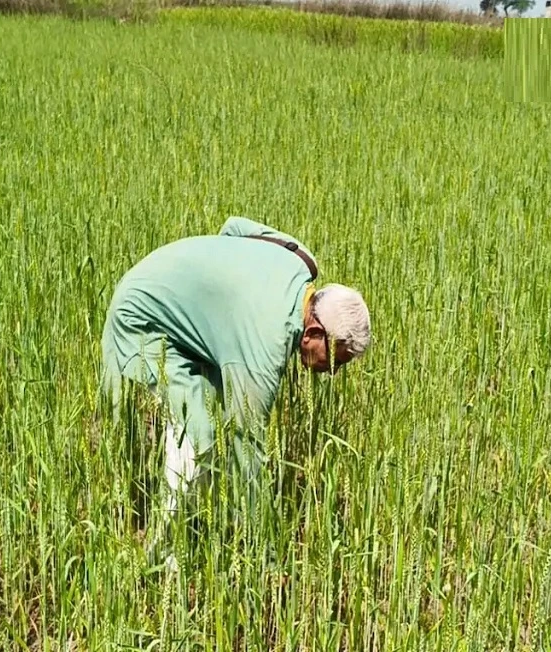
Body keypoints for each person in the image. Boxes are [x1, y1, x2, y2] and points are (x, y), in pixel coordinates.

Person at [100, 215, 371, 569]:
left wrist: (216, 294)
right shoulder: (265, 345)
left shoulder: (301, 258)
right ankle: (153, 558)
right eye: (336, 359)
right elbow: (246, 451)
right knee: (200, 435)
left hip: (161, 282)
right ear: (313, 334)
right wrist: (268, 556)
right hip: (143, 317)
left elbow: (233, 228)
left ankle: (188, 519)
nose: (333, 372)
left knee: (205, 419)